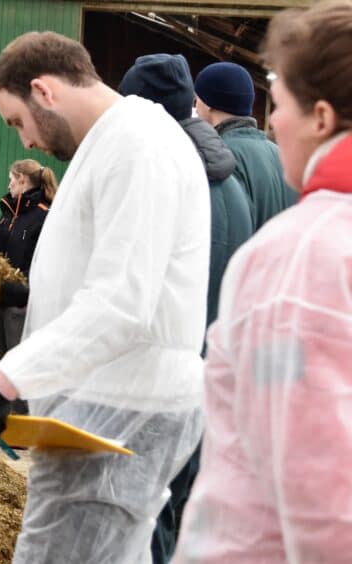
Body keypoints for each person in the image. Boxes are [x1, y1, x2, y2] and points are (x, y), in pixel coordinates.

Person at [0, 32, 210, 563]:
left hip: (122, 406)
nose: (24, 143)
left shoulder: (136, 144)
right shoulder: (111, 144)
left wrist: (10, 379)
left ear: (44, 92)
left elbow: (121, 301)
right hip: (102, 405)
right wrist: (40, 383)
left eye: (17, 121)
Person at [173, 2, 352, 562]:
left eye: (285, 104)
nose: (275, 121)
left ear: (320, 117)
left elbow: (320, 490)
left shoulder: (301, 257)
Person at [118, 52, 254, 564]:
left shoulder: (171, 180)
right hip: (209, 377)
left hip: (161, 383)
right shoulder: (230, 181)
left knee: (149, 520)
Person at [0, 158, 57, 414]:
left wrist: (21, 290)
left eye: (11, 180)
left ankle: (22, 422)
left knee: (19, 365)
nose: (9, 184)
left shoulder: (44, 216)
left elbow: (46, 263)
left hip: (20, 303)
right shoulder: (7, 214)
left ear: (22, 180)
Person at [194, 61, 297, 229]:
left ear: (207, 102)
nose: (195, 107)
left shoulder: (220, 158)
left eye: (196, 99)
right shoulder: (279, 154)